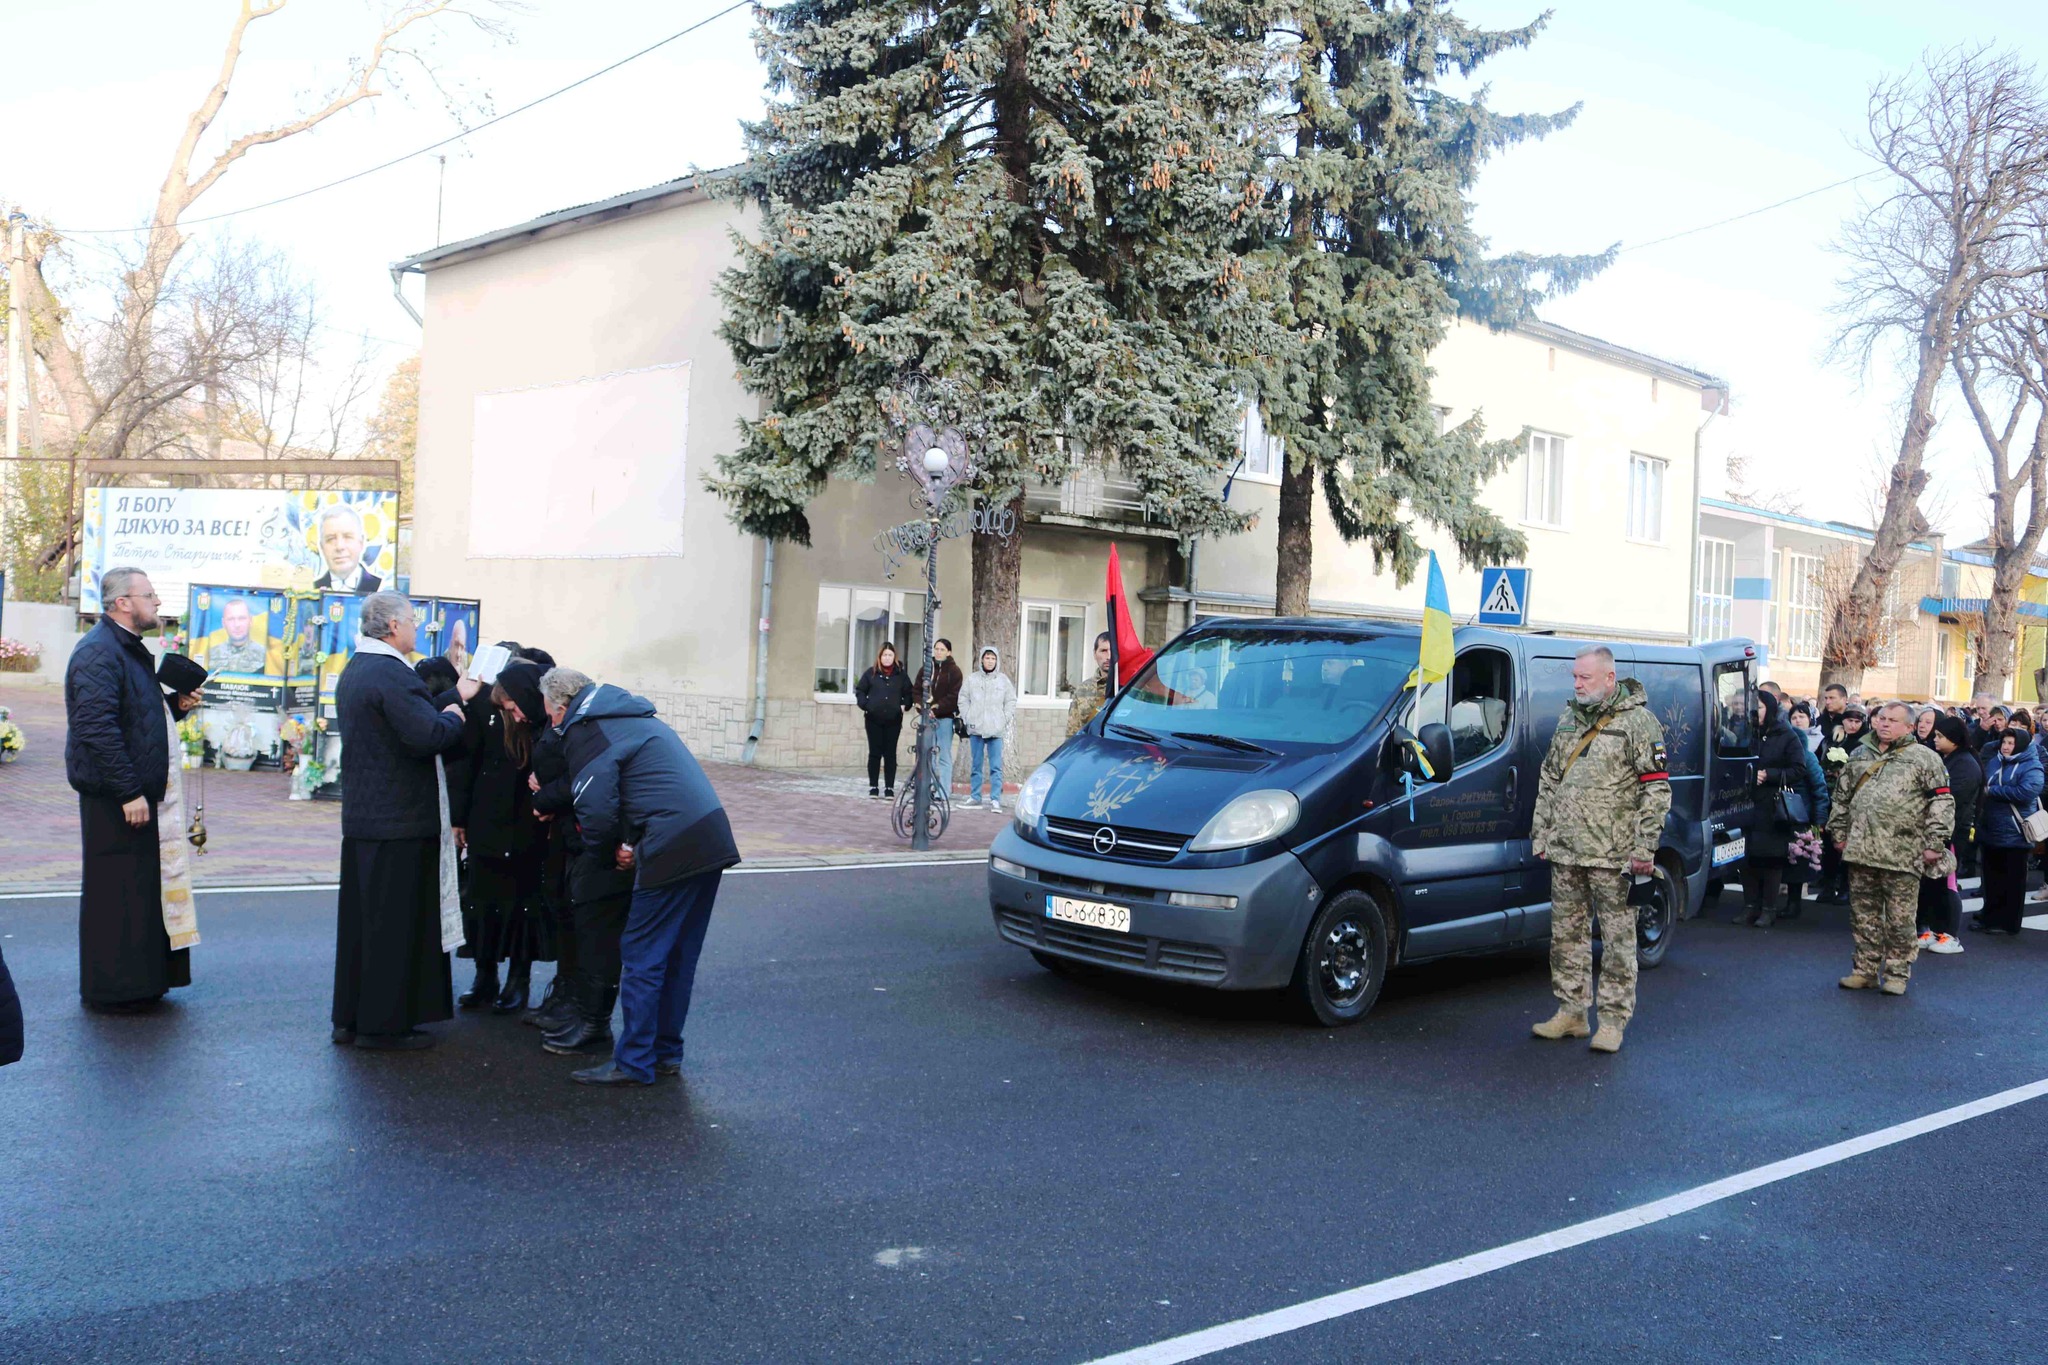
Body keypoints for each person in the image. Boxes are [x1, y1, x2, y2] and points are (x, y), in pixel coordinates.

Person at [542, 668, 741, 1086]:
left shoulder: (586, 731)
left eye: (549, 713)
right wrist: (631, 840)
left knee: (642, 955)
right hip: (710, 835)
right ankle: (665, 1053)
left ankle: (634, 1062)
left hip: (672, 843)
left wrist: (609, 854)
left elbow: (596, 810)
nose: (550, 721)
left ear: (561, 707)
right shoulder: (631, 717)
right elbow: (647, 787)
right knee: (678, 955)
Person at [331, 592, 478, 1050]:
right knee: (393, 930)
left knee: (363, 929)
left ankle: (351, 1019)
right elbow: (425, 733)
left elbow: (401, 716)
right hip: (399, 821)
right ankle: (384, 1027)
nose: (417, 628)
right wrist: (454, 716)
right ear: (393, 626)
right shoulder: (393, 672)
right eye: (412, 621)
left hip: (367, 819)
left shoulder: (359, 668)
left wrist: (454, 695)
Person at [1528, 646, 1671, 1054]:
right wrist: (1542, 832)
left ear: (1610, 679)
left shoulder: (1639, 723)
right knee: (1566, 937)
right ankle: (1572, 1012)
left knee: (1617, 942)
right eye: (1575, 677)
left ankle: (1612, 1021)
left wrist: (1645, 846)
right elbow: (1550, 778)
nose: (1577, 684)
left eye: (1584, 678)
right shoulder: (1569, 719)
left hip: (1615, 857)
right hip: (1568, 851)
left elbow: (1656, 789)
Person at [66, 567, 190, 1014]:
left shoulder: (127, 648)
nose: (157, 602)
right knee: (115, 897)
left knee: (139, 895)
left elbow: (135, 717)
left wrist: (176, 706)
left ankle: (143, 983)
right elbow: (96, 728)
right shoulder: (98, 652)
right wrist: (127, 792)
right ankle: (115, 989)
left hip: (135, 793)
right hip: (116, 800)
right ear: (122, 603)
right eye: (149, 595)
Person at [1827, 701, 1955, 996]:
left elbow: (1941, 801)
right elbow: (1842, 798)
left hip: (1902, 853)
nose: (1884, 724)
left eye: (1892, 720)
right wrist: (1839, 833)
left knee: (1900, 919)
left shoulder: (1924, 758)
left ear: (1910, 727)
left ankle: (1897, 974)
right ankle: (1864, 971)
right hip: (1861, 850)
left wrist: (1935, 842)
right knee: (1864, 916)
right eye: (1881, 718)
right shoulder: (1859, 754)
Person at [451, 657, 552, 1014]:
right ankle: (485, 975)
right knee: (482, 899)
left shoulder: (542, 722)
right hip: (486, 817)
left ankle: (518, 980)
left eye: (513, 705)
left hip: (528, 820)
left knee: (523, 902)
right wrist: (459, 818)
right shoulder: (486, 710)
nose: (512, 712)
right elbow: (467, 762)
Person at [1736, 689, 1807, 928]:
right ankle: (1749, 906)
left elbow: (1799, 769)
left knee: (1771, 859)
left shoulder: (1786, 735)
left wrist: (1769, 775)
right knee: (1747, 857)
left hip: (1772, 805)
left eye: (1759, 708)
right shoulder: (1744, 732)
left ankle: (1769, 909)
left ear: (1770, 709)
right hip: (1746, 803)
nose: (1754, 712)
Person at [1918, 715, 1981, 954]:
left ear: (1954, 739)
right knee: (1933, 883)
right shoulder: (1949, 759)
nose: (1935, 739)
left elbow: (1951, 800)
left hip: (1952, 831)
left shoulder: (1965, 764)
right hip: (1939, 829)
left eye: (1940, 736)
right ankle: (1935, 930)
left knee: (1948, 884)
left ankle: (1951, 935)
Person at [1973, 725, 2041, 937]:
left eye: (2011, 743)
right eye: (2004, 742)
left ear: (2020, 745)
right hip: (1991, 827)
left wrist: (1992, 791)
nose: (2006, 746)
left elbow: (2027, 791)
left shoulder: (2031, 765)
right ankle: (1990, 917)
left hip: (2015, 832)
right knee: (1991, 879)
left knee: (2012, 882)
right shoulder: (1996, 760)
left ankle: (2008, 923)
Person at [958, 646, 1017, 812]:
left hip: (995, 729)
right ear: (981, 660)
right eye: (987, 658)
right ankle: (975, 796)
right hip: (976, 728)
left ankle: (995, 799)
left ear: (997, 661)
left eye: (993, 658)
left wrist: (1004, 718)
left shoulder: (1003, 680)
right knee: (976, 765)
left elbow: (1011, 701)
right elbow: (963, 698)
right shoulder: (972, 679)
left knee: (996, 767)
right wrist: (967, 717)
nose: (990, 661)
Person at [854, 642, 914, 800]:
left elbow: (909, 693)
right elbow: (860, 691)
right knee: (875, 753)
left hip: (893, 720)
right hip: (873, 719)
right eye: (885, 655)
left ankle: (889, 788)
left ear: (894, 657)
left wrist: (904, 705)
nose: (887, 658)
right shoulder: (871, 673)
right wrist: (866, 705)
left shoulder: (901, 675)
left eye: (890, 655)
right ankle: (873, 786)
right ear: (880, 657)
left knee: (890, 754)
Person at [925, 638, 964, 798]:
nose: (938, 652)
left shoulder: (954, 672)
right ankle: (930, 787)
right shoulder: (927, 669)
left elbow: (954, 696)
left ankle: (944, 791)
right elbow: (918, 689)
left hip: (945, 718)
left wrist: (937, 707)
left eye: (942, 649)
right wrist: (922, 707)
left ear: (949, 652)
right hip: (927, 717)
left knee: (944, 755)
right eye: (936, 649)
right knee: (929, 754)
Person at [312, 503, 382, 592]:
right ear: (321, 547)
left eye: (348, 537)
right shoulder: (312, 590)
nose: (339, 546)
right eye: (331, 539)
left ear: (361, 542)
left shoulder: (381, 587)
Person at [1066, 632, 1114, 738]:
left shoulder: (1130, 688)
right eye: (1103, 651)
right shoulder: (1083, 690)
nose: (1109, 656)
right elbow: (1073, 732)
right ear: (1094, 654)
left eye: (1113, 650)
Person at [211, 597, 268, 674]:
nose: (237, 625)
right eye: (231, 619)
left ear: (250, 621)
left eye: (241, 618)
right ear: (223, 623)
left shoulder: (265, 656)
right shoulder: (211, 654)